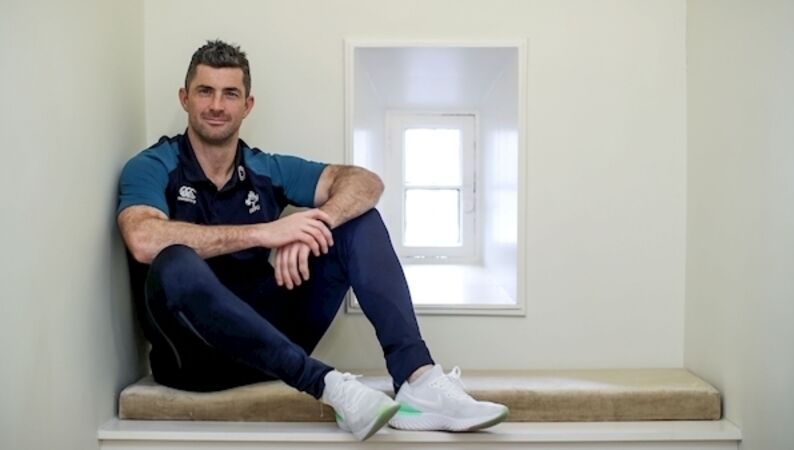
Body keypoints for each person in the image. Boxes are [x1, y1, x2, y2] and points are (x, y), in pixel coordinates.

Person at [117, 39, 508, 441]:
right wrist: (266, 232)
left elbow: (365, 182)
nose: (217, 105)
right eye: (205, 91)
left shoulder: (265, 168)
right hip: (195, 359)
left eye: (230, 93)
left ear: (247, 105)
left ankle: (418, 378)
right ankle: (328, 385)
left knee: (358, 221)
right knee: (174, 261)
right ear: (185, 98)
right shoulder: (153, 165)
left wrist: (315, 225)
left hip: (271, 346)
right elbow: (143, 238)